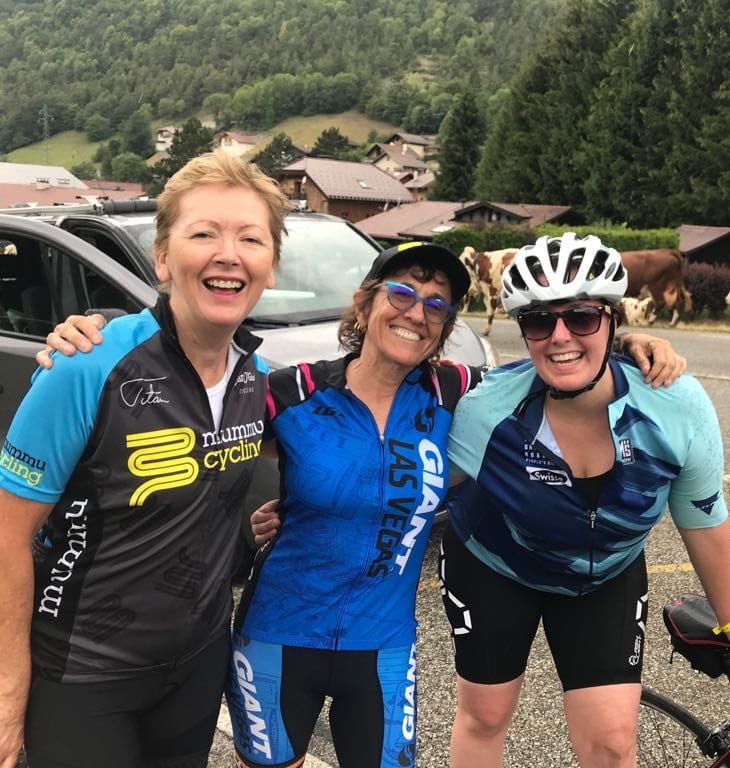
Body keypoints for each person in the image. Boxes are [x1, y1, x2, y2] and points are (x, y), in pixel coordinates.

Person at [37, 237, 684, 768]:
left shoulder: (460, 394)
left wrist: (629, 348)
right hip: (277, 636)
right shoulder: (291, 390)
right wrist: (94, 338)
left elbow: (557, 368)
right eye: (402, 294)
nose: (417, 312)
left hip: (383, 644)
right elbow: (196, 427)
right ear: (366, 303)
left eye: (436, 305)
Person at [438, 232, 730, 768]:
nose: (559, 337)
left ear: (613, 320)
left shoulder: (675, 403)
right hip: (494, 568)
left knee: (613, 743)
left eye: (581, 318)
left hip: (604, 577)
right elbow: (409, 491)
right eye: (539, 322)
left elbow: (703, 518)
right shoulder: (486, 410)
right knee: (484, 718)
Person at [0, 150, 291, 768]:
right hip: (84, 673)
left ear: (270, 266)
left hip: (197, 667)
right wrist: (8, 686)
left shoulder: (257, 377)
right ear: (162, 258)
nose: (228, 254)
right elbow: (7, 536)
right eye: (203, 234)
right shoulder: (86, 365)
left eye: (250, 238)